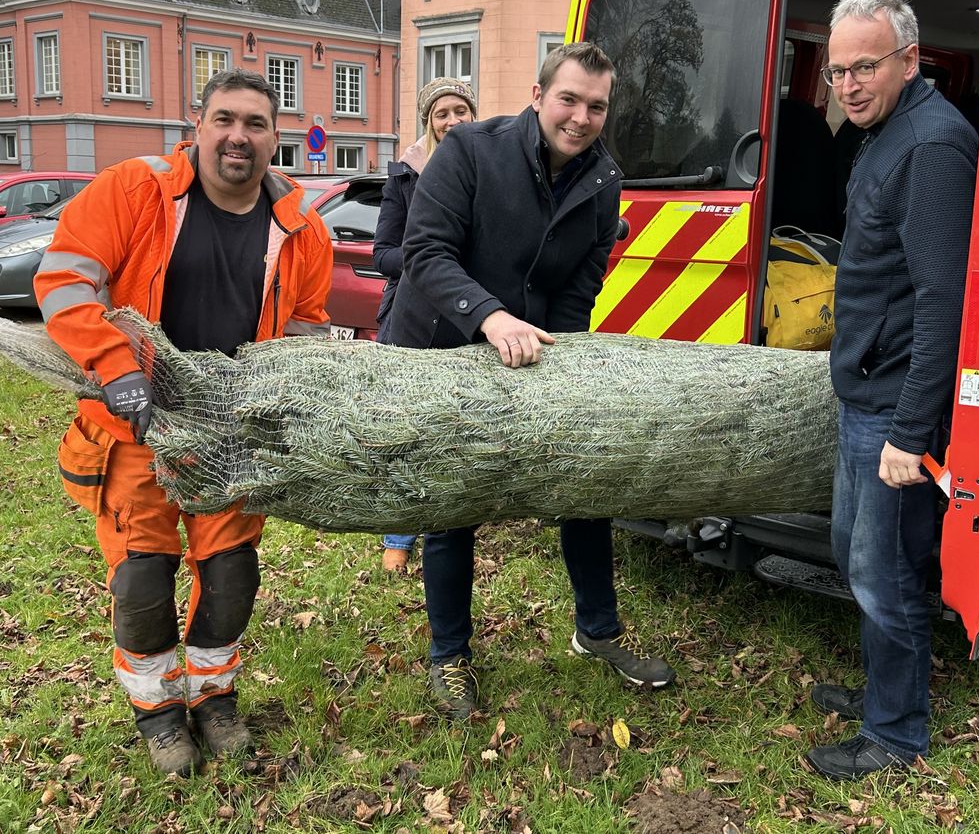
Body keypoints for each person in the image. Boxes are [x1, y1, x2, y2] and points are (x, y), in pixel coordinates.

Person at [34, 70, 333, 777]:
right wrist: (118, 367)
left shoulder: (302, 227)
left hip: (230, 435)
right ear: (195, 126)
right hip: (137, 424)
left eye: (255, 124)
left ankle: (214, 699)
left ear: (274, 137)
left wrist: (295, 404)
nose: (239, 136)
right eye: (224, 119)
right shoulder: (133, 190)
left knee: (231, 576)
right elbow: (64, 280)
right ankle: (160, 714)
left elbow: (303, 331)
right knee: (142, 580)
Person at [388, 41, 676, 718]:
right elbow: (422, 251)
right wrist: (489, 317)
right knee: (454, 505)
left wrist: (565, 361)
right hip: (443, 343)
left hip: (532, 353)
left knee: (585, 484)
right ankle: (450, 655)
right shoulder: (469, 151)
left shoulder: (605, 180)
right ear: (540, 93)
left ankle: (597, 631)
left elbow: (582, 281)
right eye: (569, 99)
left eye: (596, 106)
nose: (580, 117)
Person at [805, 0, 977, 780]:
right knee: (854, 552)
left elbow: (944, 302)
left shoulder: (932, 146)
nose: (847, 81)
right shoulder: (880, 135)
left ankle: (896, 734)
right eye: (838, 69)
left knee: (889, 570)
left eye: (863, 65)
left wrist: (912, 432)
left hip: (895, 408)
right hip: (864, 395)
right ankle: (887, 686)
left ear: (909, 59)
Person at [374, 77, 478, 573]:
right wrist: (430, 264)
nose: (453, 120)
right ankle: (398, 535)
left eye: (461, 110)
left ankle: (448, 522)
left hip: (466, 317)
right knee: (406, 427)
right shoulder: (405, 177)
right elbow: (383, 252)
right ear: (428, 122)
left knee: (453, 428)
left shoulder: (490, 173)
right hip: (411, 318)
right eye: (442, 113)